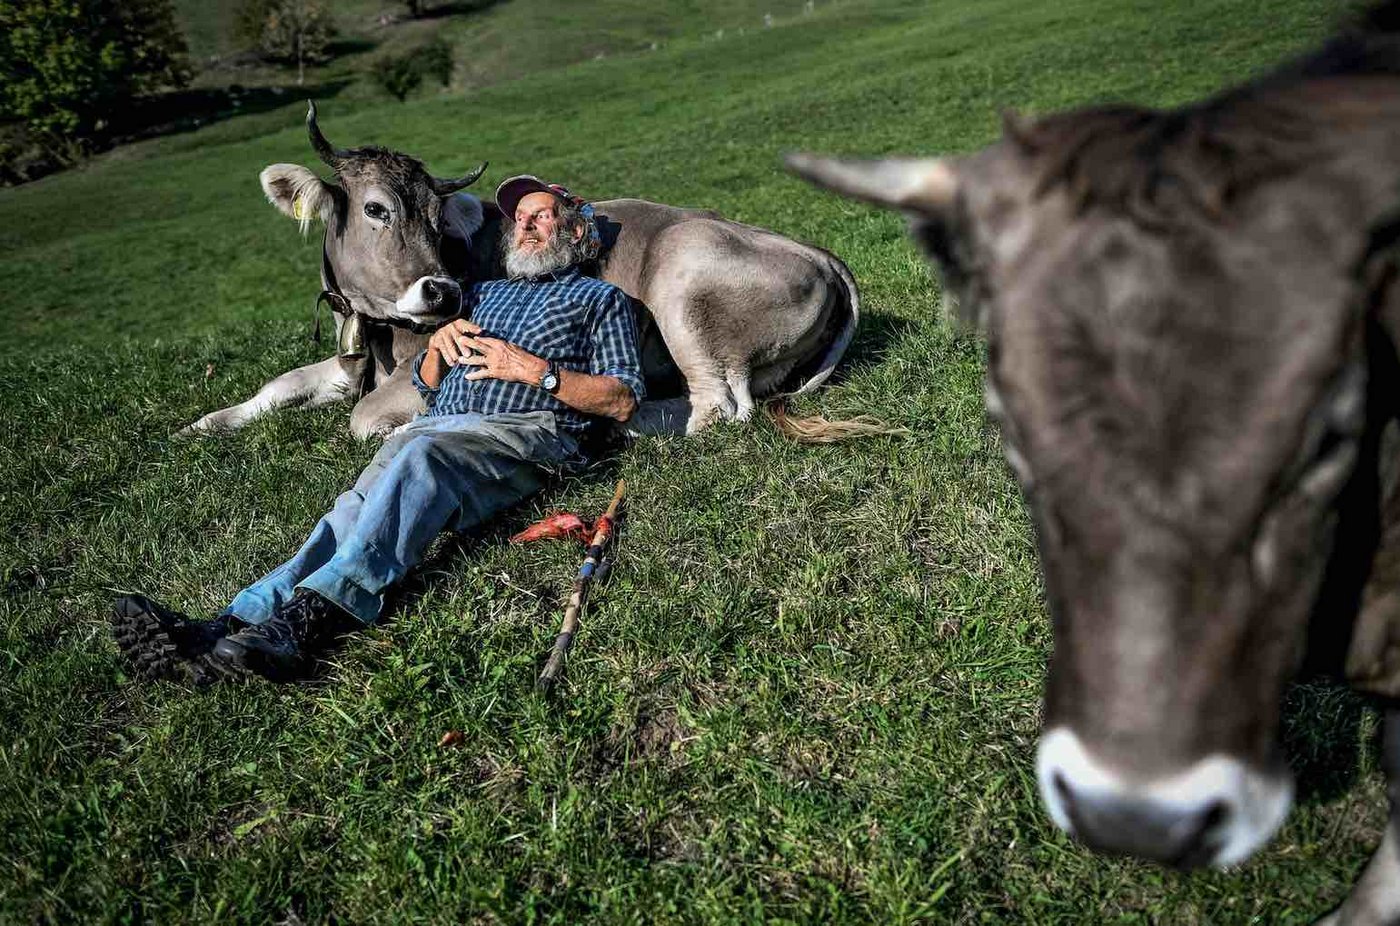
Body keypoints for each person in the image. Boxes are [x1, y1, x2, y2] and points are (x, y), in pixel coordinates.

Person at [111, 176, 645, 682]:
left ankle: (314, 619)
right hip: (441, 427)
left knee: (420, 459)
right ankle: (228, 624)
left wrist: (536, 371)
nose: (523, 227)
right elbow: (429, 386)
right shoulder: (481, 294)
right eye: (519, 218)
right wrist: (436, 352)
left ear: (576, 232)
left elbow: (621, 400)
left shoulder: (602, 301)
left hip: (526, 432)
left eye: (541, 217)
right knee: (351, 509)